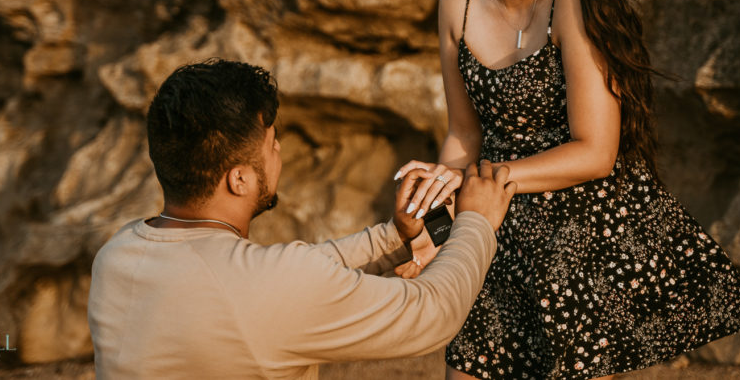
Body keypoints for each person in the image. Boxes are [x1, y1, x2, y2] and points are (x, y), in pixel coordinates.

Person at [394, 0, 740, 379]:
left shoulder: (573, 1)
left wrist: (489, 182)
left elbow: (597, 152)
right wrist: (437, 185)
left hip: (581, 227)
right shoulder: (455, 1)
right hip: (494, 219)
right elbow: (464, 135)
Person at [87, 58, 518, 379]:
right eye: (271, 143)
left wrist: (398, 236)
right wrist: (476, 222)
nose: (278, 152)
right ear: (238, 179)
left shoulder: (117, 257)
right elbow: (433, 314)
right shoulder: (267, 286)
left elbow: (291, 275)